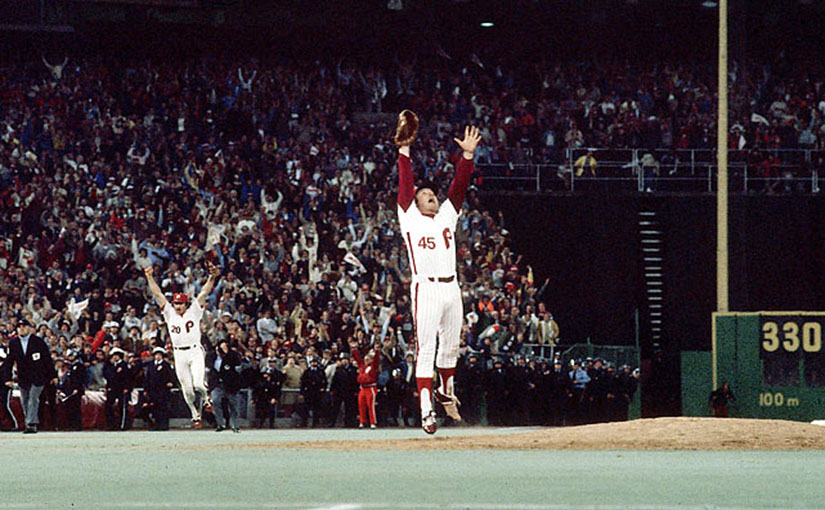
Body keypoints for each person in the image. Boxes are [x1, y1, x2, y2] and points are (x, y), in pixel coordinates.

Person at [394, 110, 481, 434]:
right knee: (426, 348)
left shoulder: (446, 216)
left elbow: (458, 186)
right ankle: (427, 410)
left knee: (450, 347)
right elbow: (406, 185)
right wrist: (404, 151)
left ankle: (447, 392)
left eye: (432, 194)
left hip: (451, 288)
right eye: (425, 195)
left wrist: (467, 156)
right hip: (426, 288)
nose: (431, 196)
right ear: (415, 203)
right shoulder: (409, 218)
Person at [144, 261, 220, 429]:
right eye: (176, 303)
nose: (178, 306)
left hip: (194, 351)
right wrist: (149, 278)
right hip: (179, 354)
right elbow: (158, 295)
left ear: (186, 304)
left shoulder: (194, 310)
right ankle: (195, 414)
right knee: (187, 390)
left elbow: (204, 292)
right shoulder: (170, 313)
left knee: (199, 384)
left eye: (181, 303)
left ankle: (207, 399)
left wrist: (212, 277)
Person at [7, 321, 57, 434]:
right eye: (19, 327)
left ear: (29, 328)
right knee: (24, 399)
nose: (21, 329)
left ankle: (31, 424)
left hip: (38, 376)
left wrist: (53, 375)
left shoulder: (38, 342)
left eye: (24, 326)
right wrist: (7, 378)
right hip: (23, 376)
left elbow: (47, 359)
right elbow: (9, 361)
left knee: (33, 398)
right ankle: (28, 421)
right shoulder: (14, 343)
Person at [206, 339, 242, 432]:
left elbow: (237, 364)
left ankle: (235, 425)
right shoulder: (211, 356)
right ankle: (220, 424)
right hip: (217, 384)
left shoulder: (232, 355)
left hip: (230, 384)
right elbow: (209, 368)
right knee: (216, 401)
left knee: (233, 405)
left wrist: (226, 354)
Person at [350, 340, 380, 429]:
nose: (366, 360)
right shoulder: (362, 367)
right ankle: (362, 422)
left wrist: (377, 351)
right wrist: (354, 349)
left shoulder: (373, 367)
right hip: (362, 388)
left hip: (370, 388)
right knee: (361, 405)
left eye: (368, 359)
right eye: (365, 359)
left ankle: (373, 422)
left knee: (370, 406)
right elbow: (357, 358)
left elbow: (376, 360)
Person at [143, 347, 175, 431]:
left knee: (163, 408)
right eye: (156, 355)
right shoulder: (150, 365)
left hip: (163, 390)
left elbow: (172, 375)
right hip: (153, 390)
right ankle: (156, 425)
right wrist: (146, 389)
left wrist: (171, 383)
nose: (158, 357)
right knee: (155, 408)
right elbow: (147, 378)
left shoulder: (166, 365)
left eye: (159, 355)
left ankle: (164, 425)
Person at [0, 347, 19, 431]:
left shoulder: (7, 365)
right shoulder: (4, 366)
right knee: (4, 405)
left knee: (6, 405)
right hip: (2, 387)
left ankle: (14, 423)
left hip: (6, 387)